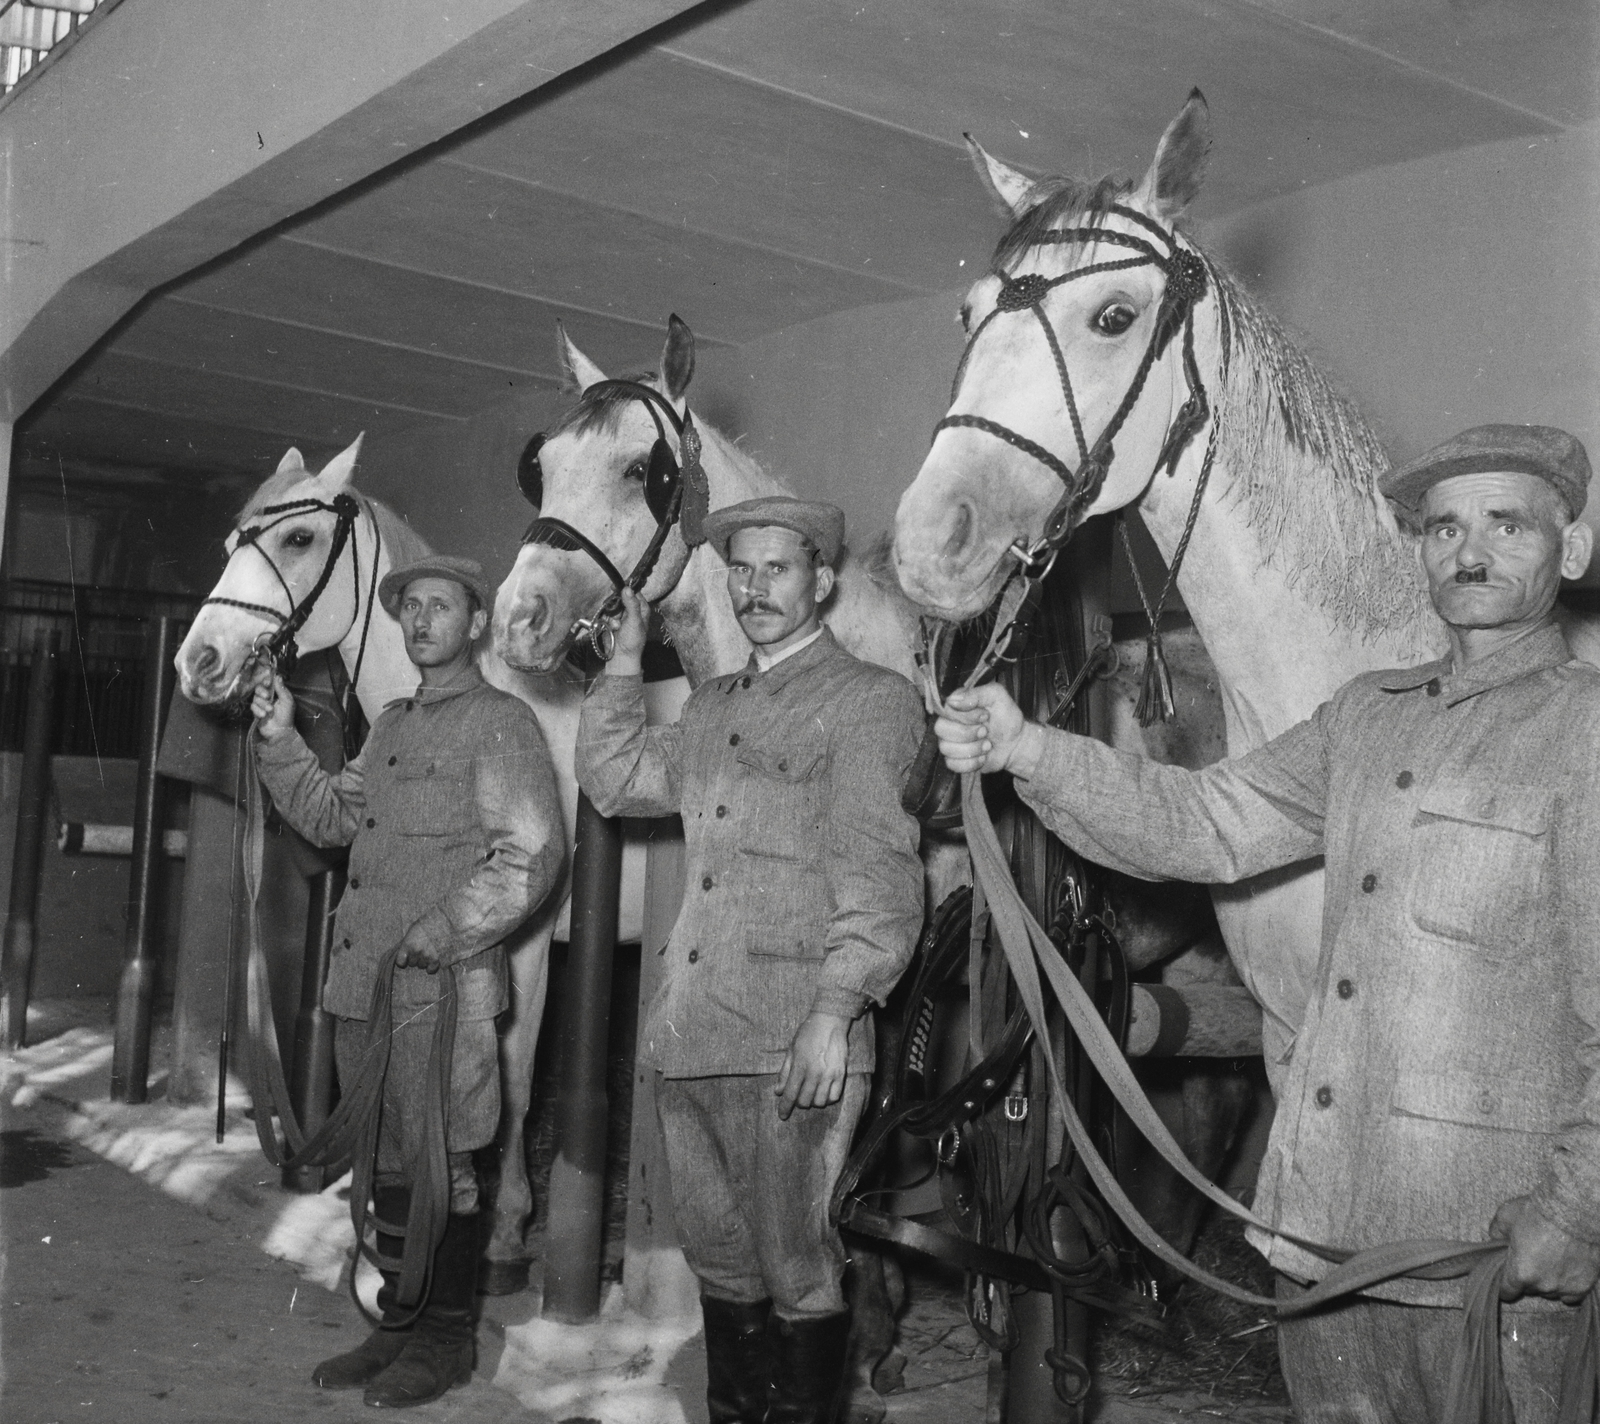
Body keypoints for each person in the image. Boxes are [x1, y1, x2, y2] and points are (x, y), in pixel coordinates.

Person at [935, 424, 1600, 1422]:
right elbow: (1207, 822)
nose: (1470, 550)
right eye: (1443, 525)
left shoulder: (1586, 731)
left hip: (1484, 1253)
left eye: (1507, 523)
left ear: (1572, 550)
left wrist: (1575, 1212)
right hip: (1318, 1240)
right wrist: (1030, 750)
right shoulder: (1366, 714)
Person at [575, 496, 924, 1424]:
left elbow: (881, 880)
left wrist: (836, 1012)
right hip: (693, 1031)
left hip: (791, 1040)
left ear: (824, 581)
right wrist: (619, 667)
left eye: (779, 568)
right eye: (741, 569)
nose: (757, 588)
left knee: (798, 1267)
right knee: (720, 1261)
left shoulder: (869, 702)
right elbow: (615, 781)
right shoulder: (715, 705)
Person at [251, 554, 564, 1409]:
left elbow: (532, 855)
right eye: (411, 607)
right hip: (367, 987)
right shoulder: (390, 726)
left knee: (446, 1168)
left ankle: (445, 1342)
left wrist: (439, 935)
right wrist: (280, 739)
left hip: (443, 989)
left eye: (442, 606)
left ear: (476, 624)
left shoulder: (501, 723)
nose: (422, 619)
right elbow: (331, 818)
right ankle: (395, 1327)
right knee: (389, 1166)